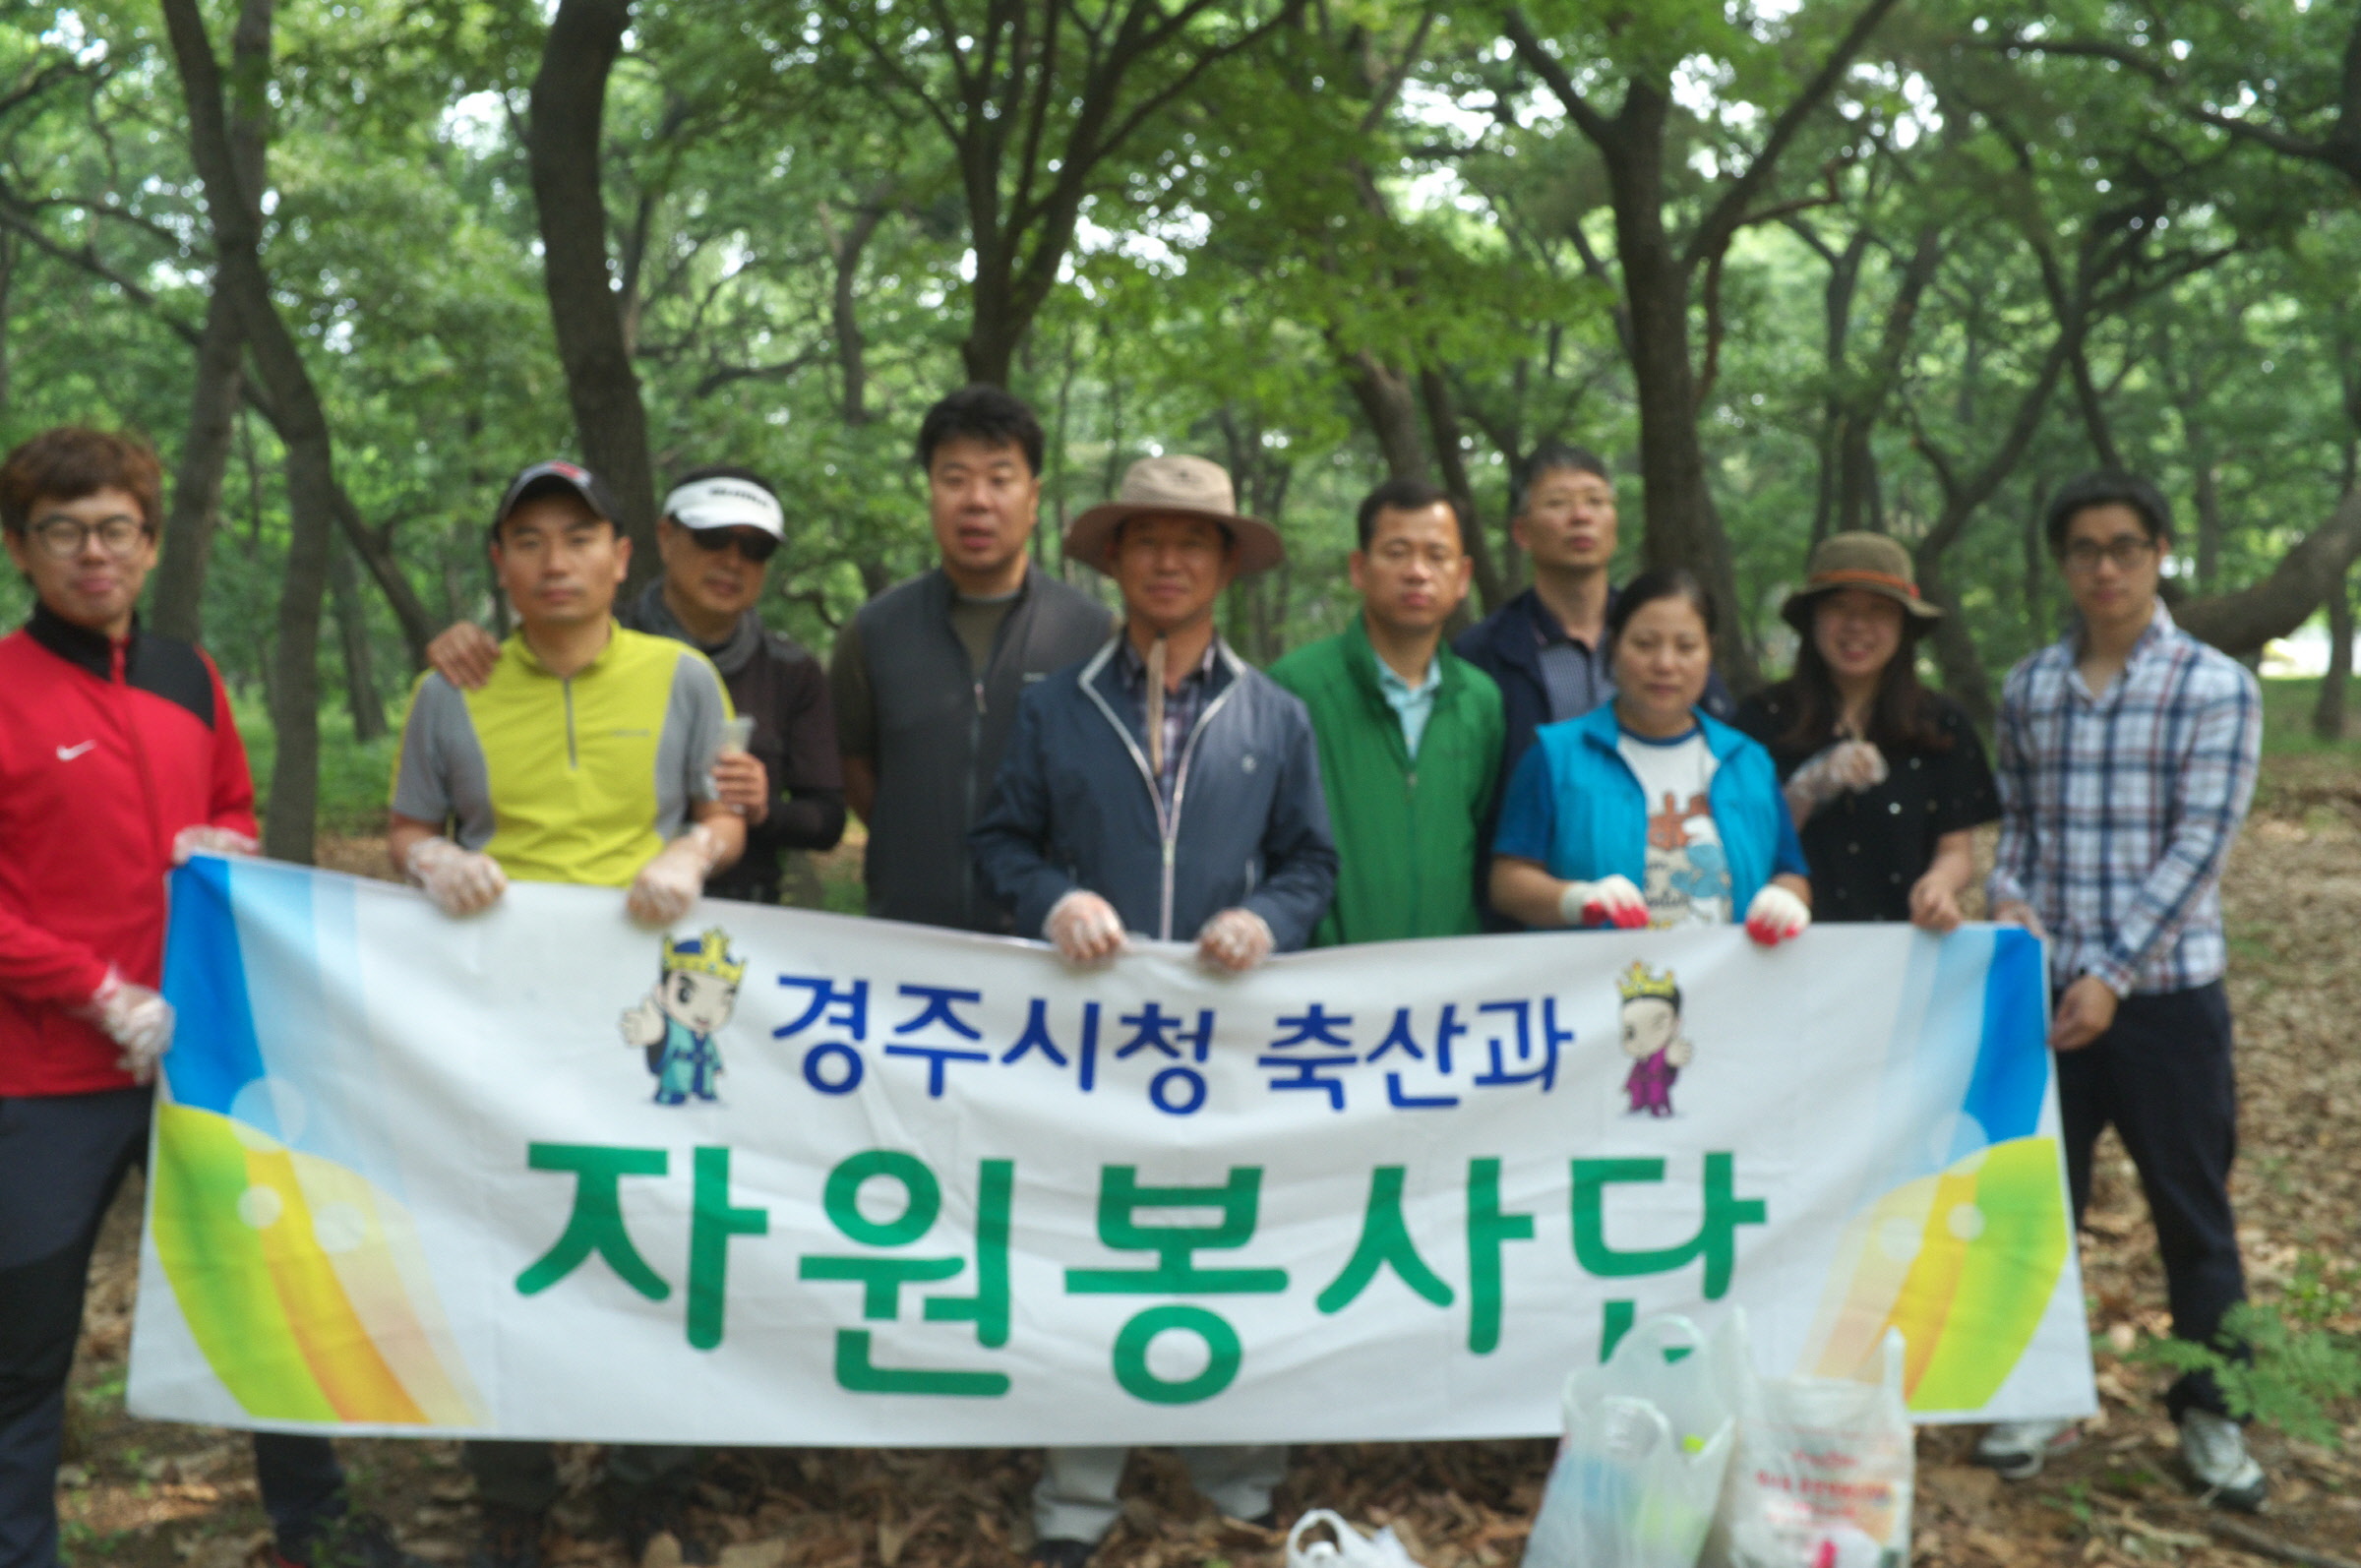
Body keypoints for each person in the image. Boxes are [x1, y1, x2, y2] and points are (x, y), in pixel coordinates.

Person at [0, 428, 413, 1568]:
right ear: (21, 548)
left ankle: (315, 1527)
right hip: (45, 1075)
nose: (95, 554)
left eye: (117, 529)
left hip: (204, 1052)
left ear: (148, 539)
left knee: (269, 1290)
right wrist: (93, 990)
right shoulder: (2, 686)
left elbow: (227, 803)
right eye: (64, 531)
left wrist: (223, 841)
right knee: (27, 1345)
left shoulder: (190, 674)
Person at [969, 454, 1336, 1568]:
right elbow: (1000, 844)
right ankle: (1076, 1500)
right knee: (1086, 1249)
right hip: (1086, 1040)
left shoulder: (1274, 713)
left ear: (1225, 561)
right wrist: (1055, 899)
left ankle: (1241, 1481)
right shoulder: (1056, 710)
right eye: (1147, 539)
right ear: (1117, 559)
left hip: (1230, 1045)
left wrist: (1269, 918)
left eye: (1194, 541)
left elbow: (1311, 862)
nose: (1169, 559)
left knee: (1230, 1246)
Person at [387, 459, 747, 1568]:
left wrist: (696, 850)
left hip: (653, 996)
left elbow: (721, 813)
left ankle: (647, 1482)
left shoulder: (685, 675)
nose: (556, 562)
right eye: (530, 541)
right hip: (497, 1003)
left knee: (658, 1223)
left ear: (620, 557)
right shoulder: (453, 686)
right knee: (505, 1226)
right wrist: (435, 859)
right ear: (501, 561)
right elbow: (405, 824)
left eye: (579, 539)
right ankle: (511, 1482)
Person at [1972, 473, 2266, 1510]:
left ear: (2159, 554)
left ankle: (2211, 1410)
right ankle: (2036, 1389)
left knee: (2192, 1211)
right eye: (2085, 548)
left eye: (2126, 547)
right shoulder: (2031, 687)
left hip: (2169, 998)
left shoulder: (2216, 685)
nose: (2105, 566)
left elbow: (2201, 845)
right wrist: (2010, 905)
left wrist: (2113, 972)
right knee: (2034, 1200)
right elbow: (2020, 829)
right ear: (2062, 563)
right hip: (2044, 993)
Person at [421, 465, 844, 905]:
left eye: (756, 548)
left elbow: (828, 818)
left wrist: (761, 809)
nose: (732, 561)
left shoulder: (792, 671)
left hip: (739, 913)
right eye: (712, 538)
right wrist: (464, 643)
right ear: (664, 538)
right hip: (587, 909)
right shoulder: (593, 636)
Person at [830, 386, 1115, 932]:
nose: (977, 500)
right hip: (909, 936)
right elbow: (856, 767)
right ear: (931, 493)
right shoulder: (875, 631)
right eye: (954, 479)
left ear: (1033, 499)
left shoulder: (1093, 633)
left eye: (999, 479)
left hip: (1050, 944)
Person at [1486, 569, 1811, 944]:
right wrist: (1575, 900)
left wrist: (1786, 898)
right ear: (1614, 647)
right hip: (1596, 991)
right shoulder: (1556, 755)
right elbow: (1507, 881)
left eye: (1686, 647)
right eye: (1644, 644)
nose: (1665, 664)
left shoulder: (1748, 760)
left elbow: (1789, 871)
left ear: (1710, 651)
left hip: (1729, 988)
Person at [1269, 477, 1503, 943]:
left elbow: (1481, 842)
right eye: (1396, 553)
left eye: (1437, 556)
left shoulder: (1480, 700)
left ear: (1462, 578)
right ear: (1359, 569)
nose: (1417, 572)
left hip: (1447, 990)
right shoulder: (1294, 688)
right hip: (1325, 984)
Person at [1733, 532, 1999, 930]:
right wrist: (1808, 787)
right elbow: (1743, 838)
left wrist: (1938, 886)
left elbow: (1956, 848)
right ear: (1812, 619)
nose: (1857, 626)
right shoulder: (1762, 718)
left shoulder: (1943, 723)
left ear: (1904, 624)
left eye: (1878, 610)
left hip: (1905, 947)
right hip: (1784, 949)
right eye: (1839, 607)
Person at [1454, 445, 1732, 797]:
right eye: (1558, 503)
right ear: (1521, 532)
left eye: (1596, 501)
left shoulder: (1661, 636)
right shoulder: (1485, 652)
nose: (1581, 516)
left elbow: (1720, 739)